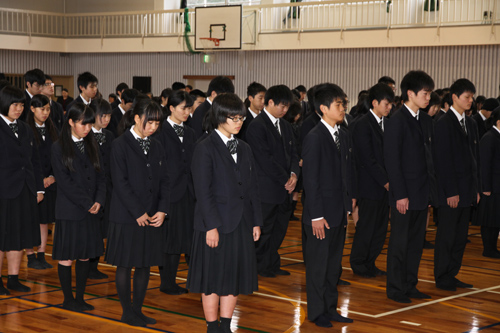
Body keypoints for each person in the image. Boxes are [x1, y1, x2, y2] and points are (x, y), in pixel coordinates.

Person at [187, 93, 262, 333]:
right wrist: (211, 226)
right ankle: (211, 326)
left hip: (240, 221)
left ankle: (226, 325)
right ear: (220, 117)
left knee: (233, 277)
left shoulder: (245, 148)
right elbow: (203, 191)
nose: (239, 122)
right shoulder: (204, 148)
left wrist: (256, 222)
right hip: (215, 224)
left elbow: (252, 188)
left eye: (241, 118)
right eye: (233, 118)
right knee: (211, 278)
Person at [105, 98, 169, 327]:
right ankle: (126, 312)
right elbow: (119, 183)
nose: (153, 128)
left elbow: (165, 181)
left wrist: (162, 209)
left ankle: (138, 310)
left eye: (156, 124)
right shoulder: (120, 145)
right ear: (136, 118)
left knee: (145, 264)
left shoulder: (158, 145)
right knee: (125, 264)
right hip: (126, 216)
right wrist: (137, 212)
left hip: (151, 216)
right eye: (149, 123)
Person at [302, 83, 355, 328]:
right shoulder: (314, 137)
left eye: (343, 104)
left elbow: (345, 175)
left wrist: (348, 207)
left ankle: (331, 308)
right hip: (320, 215)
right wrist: (315, 216)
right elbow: (311, 181)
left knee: (333, 266)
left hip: (338, 213)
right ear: (323, 109)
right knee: (318, 267)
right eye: (338, 105)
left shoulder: (342, 134)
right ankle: (316, 312)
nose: (343, 108)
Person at [384, 70, 436, 303]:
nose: (428, 98)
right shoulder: (397, 120)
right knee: (400, 243)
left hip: (421, 192)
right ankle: (395, 288)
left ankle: (410, 284)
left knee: (416, 243)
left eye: (429, 94)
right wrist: (401, 194)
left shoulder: (425, 120)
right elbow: (392, 161)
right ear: (410, 93)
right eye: (425, 94)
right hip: (404, 194)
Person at [51, 103, 105, 311]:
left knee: (85, 254)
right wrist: (87, 203)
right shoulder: (58, 147)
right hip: (71, 210)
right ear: (71, 122)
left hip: (91, 209)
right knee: (67, 257)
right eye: (83, 124)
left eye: (90, 125)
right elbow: (65, 182)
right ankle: (68, 299)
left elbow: (102, 175)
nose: (87, 129)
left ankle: (80, 297)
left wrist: (99, 200)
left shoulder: (93, 144)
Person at [246, 85, 300, 278]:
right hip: (267, 189)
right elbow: (264, 159)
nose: (285, 110)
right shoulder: (257, 126)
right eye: (282, 106)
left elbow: (294, 153)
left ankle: (272, 263)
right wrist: (286, 178)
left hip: (285, 188)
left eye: (287, 107)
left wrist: (294, 174)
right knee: (265, 229)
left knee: (279, 229)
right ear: (270, 103)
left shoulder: (285, 126)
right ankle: (260, 266)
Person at [433, 79, 480, 291]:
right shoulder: (443, 123)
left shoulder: (470, 123)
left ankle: (452, 273)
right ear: (454, 98)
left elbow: (474, 159)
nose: (470, 101)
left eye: (472, 97)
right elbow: (443, 161)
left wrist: (476, 189)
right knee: (447, 237)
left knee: (460, 237)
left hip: (467, 189)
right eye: (466, 97)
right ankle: (442, 276)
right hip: (450, 192)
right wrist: (450, 192)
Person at [0, 85, 44, 295]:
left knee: (18, 237)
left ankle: (14, 278)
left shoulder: (26, 128)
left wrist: (38, 188)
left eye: (21, 105)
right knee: (1, 238)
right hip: (3, 191)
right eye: (14, 104)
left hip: (24, 189)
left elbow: (34, 161)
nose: (18, 108)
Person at [350, 83, 394, 278]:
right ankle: (359, 263)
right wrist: (385, 181)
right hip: (369, 186)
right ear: (374, 103)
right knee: (367, 227)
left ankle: (370, 262)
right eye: (386, 104)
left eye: (391, 104)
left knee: (380, 228)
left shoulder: (387, 123)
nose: (389, 108)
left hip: (385, 187)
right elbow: (367, 158)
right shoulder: (362, 124)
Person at [157, 90, 196, 295]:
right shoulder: (160, 130)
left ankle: (176, 280)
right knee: (168, 240)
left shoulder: (190, 132)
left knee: (183, 238)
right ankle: (166, 282)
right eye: (183, 108)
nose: (187, 112)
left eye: (189, 108)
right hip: (169, 192)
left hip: (187, 192)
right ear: (171, 108)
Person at [25, 94, 59, 270]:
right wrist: (39, 181)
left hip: (50, 183)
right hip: (32, 183)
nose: (45, 112)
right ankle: (30, 255)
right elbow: (28, 161)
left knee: (44, 220)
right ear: (32, 109)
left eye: (47, 109)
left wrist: (52, 176)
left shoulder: (53, 129)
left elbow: (59, 156)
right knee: (30, 220)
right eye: (41, 109)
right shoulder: (26, 130)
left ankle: (41, 254)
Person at [88, 98, 116, 279]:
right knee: (92, 229)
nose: (106, 120)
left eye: (108, 116)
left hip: (108, 187)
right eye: (102, 116)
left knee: (103, 229)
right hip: (91, 188)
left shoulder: (110, 136)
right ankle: (89, 266)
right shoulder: (85, 134)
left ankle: (95, 264)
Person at [477, 108, 500, 258]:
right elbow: (484, 164)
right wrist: (485, 186)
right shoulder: (489, 137)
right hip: (490, 186)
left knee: (496, 217)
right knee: (489, 219)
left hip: (497, 185)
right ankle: (488, 248)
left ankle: (492, 247)